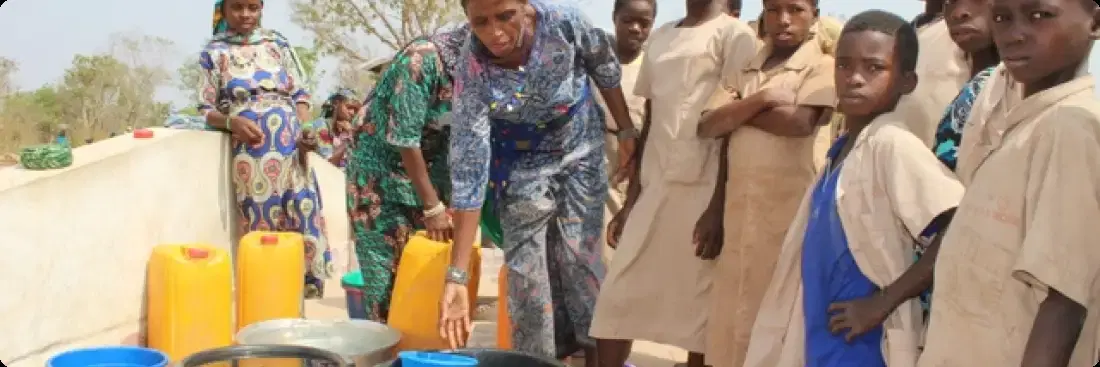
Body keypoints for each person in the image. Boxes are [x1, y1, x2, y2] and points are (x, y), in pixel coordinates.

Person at [741, 10, 964, 367]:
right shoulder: (842, 149)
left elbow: (959, 226)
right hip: (823, 334)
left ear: (907, 81)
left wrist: (882, 303)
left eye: (874, 68)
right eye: (844, 65)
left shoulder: (892, 144)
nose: (855, 78)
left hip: (862, 344)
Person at [438, 0, 641, 363]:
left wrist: (625, 130)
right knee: (527, 283)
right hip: (521, 165)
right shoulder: (472, 67)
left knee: (581, 264)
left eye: (505, 16)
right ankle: (538, 360)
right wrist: (456, 276)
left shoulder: (564, 22)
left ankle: (600, 358)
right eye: (480, 22)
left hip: (579, 149)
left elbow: (605, 69)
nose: (495, 32)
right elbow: (469, 167)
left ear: (524, 5)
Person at [917, 0, 1100, 365]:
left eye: (1040, 16)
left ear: (1095, 22)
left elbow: (1063, 304)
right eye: (1002, 17)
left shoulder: (1070, 127)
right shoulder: (1021, 122)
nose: (1014, 34)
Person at [593, 1, 757, 366]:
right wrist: (631, 203)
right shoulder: (662, 37)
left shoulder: (735, 36)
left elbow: (734, 124)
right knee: (616, 300)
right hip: (654, 187)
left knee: (698, 312)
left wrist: (718, 208)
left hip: (705, 190)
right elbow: (651, 120)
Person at [694, 0, 836, 366]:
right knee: (729, 323)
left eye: (796, 9)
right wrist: (762, 99)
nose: (783, 20)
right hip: (738, 217)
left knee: (777, 322)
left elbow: (800, 123)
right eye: (773, 9)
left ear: (814, 15)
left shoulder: (822, 66)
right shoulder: (746, 67)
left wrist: (736, 113)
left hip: (788, 219)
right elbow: (707, 125)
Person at [197, 0, 330, 298]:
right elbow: (205, 108)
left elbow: (300, 94)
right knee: (261, 219)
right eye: (237, 7)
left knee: (302, 209)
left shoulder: (276, 44)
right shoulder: (214, 52)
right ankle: (267, 295)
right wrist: (232, 122)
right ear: (224, 10)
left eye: (253, 7)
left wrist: (306, 130)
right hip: (253, 149)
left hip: (292, 145)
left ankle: (303, 290)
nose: (245, 14)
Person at [344, 26, 468, 322]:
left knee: (425, 279)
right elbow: (405, 138)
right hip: (380, 177)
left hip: (431, 178)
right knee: (386, 282)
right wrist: (433, 206)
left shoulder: (486, 69)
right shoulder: (422, 60)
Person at [591, 0, 655, 266]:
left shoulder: (652, 67)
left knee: (622, 238)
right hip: (594, 152)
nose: (635, 28)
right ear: (614, 18)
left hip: (633, 160)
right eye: (628, 20)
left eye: (644, 23)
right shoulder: (595, 59)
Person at [304, 88, 360, 169]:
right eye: (349, 107)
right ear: (336, 104)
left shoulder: (347, 131)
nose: (352, 112)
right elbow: (328, 164)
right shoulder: (321, 125)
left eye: (355, 110)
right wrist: (348, 139)